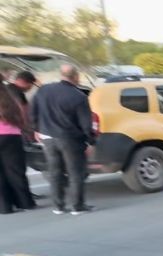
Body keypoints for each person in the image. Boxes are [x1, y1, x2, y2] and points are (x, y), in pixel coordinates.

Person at [29, 64, 95, 215]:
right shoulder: (79, 96)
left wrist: (35, 129)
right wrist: (90, 141)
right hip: (70, 139)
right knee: (75, 172)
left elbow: (33, 110)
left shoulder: (43, 90)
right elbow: (86, 123)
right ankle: (77, 206)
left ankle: (58, 206)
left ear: (61, 75)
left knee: (55, 172)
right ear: (75, 76)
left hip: (47, 137)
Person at [0, 83, 35, 214]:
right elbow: (21, 115)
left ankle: (4, 207)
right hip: (11, 136)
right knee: (16, 171)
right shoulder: (9, 97)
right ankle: (25, 202)